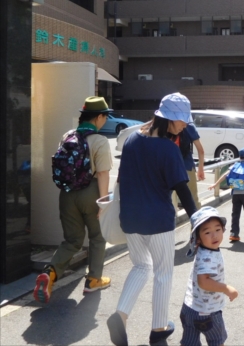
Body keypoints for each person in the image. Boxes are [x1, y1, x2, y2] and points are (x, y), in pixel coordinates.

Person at [107, 93, 198, 346]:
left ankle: (120, 315)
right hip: (158, 220)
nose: (184, 125)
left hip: (131, 218)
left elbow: (122, 179)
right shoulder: (169, 149)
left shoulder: (132, 140)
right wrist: (197, 220)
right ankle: (158, 329)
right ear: (168, 120)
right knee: (163, 273)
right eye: (181, 121)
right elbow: (182, 189)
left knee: (141, 267)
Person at [34, 97, 113, 303]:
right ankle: (94, 279)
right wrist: (104, 203)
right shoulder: (99, 141)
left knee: (72, 240)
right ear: (99, 117)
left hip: (67, 194)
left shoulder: (68, 136)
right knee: (97, 237)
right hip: (91, 192)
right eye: (105, 116)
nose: (105, 120)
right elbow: (103, 173)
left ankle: (49, 273)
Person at [180, 206, 238, 346]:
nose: (214, 235)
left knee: (190, 342)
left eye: (218, 230)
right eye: (207, 232)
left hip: (188, 308)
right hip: (208, 312)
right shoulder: (209, 256)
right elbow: (204, 282)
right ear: (198, 237)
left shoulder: (201, 249)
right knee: (217, 341)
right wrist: (226, 288)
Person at [208, 148, 244, 242]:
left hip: (235, 194)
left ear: (240, 157)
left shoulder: (234, 166)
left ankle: (234, 233)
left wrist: (215, 184)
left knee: (235, 213)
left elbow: (225, 175)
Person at [172, 122, 205, 211]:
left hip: (169, 167)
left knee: (169, 200)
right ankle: (198, 223)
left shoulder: (167, 124)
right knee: (193, 199)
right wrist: (200, 169)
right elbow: (200, 150)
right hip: (187, 167)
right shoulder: (189, 126)